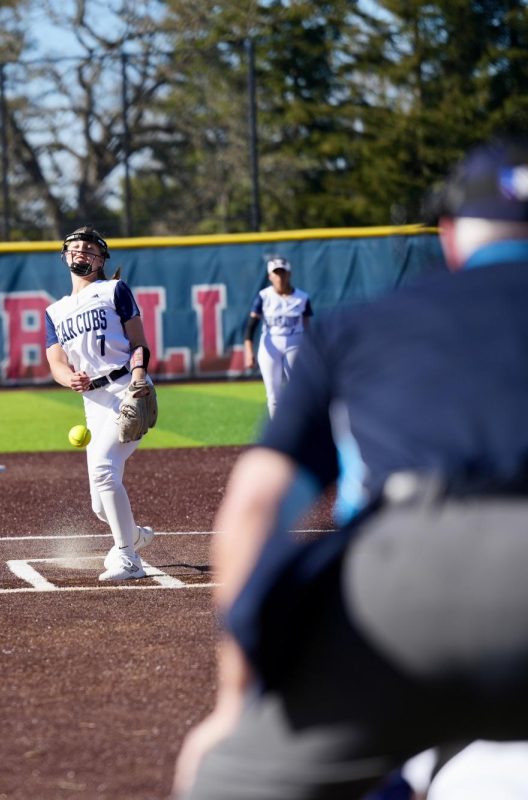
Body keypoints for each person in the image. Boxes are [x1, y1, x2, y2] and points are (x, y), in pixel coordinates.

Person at [172, 135, 528, 800]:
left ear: (450, 236)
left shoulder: (359, 324)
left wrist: (236, 699)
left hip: (410, 576)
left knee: (225, 777)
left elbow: (252, 512)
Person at [44, 226, 157, 581]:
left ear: (101, 259)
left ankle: (128, 558)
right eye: (75, 248)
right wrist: (69, 379)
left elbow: (139, 343)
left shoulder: (114, 290)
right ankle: (135, 536)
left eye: (89, 249)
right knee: (99, 502)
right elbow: (56, 364)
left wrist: (139, 380)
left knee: (105, 472)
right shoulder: (55, 311)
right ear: (65, 256)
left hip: (126, 387)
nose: (81, 253)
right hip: (92, 401)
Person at [242, 255, 312, 417]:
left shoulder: (302, 297)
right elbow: (251, 326)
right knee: (273, 395)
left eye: (283, 272)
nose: (280, 276)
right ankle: (279, 439)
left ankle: (303, 431)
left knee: (299, 391)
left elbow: (308, 327)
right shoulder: (264, 296)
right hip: (270, 346)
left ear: (289, 274)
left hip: (295, 344)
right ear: (270, 276)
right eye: (276, 273)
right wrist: (248, 350)